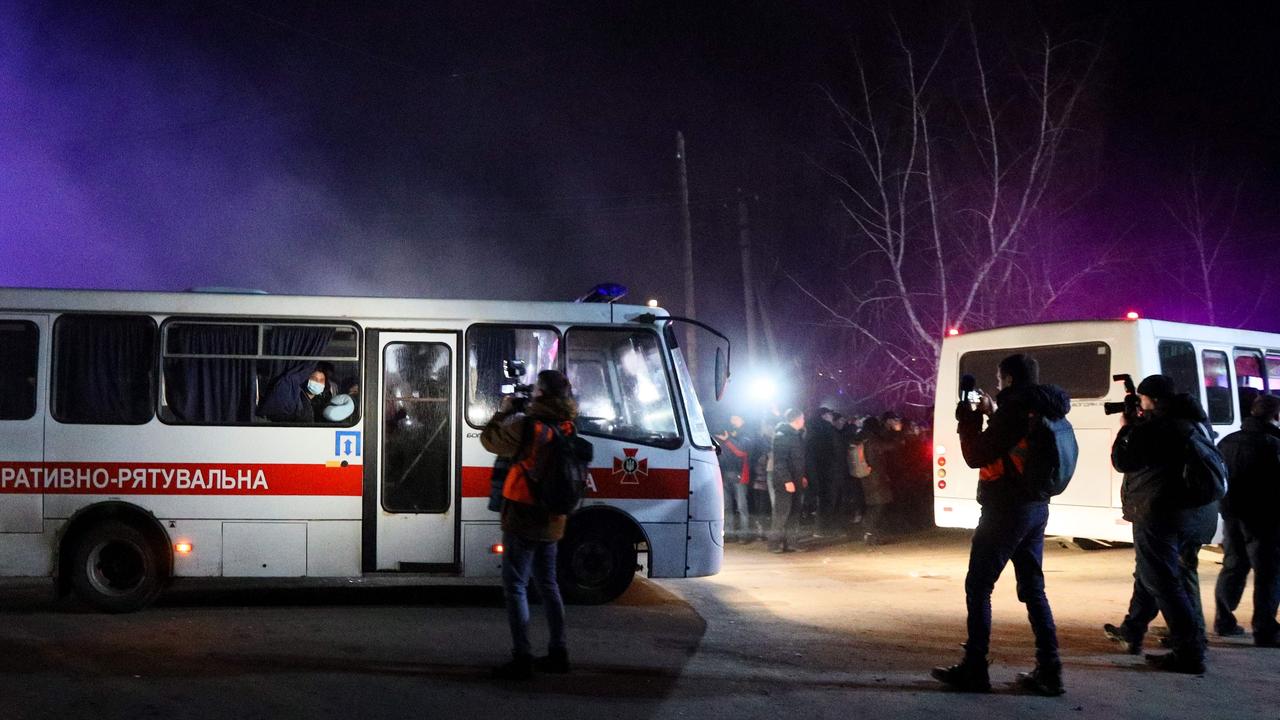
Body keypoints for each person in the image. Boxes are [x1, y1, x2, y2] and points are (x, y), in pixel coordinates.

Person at [932, 353, 1072, 696]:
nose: (997, 384)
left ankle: (975, 669)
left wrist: (967, 419)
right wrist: (993, 412)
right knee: (1033, 589)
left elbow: (974, 455)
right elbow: (1017, 441)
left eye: (999, 379)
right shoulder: (1043, 407)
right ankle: (1050, 670)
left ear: (1008, 379)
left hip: (1005, 508)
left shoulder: (1014, 410)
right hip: (1036, 507)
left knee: (978, 587)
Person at [1104, 374, 1219, 674]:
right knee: (1155, 574)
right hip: (1194, 514)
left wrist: (1126, 428)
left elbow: (1121, 460)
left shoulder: (1157, 428)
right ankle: (1135, 630)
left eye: (1142, 399)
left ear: (1151, 400)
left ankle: (1189, 651)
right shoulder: (1195, 422)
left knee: (1163, 582)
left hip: (1159, 513)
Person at [479, 370, 578, 680]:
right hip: (553, 518)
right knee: (549, 585)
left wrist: (504, 411)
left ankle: (522, 657)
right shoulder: (567, 426)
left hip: (522, 515)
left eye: (535, 389)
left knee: (516, 588)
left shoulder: (527, 427)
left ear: (541, 394)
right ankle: (558, 652)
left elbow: (489, 440)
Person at [1214, 393, 1280, 647]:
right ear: (1275, 416)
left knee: (1234, 565)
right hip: (1265, 519)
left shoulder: (1228, 441)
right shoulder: (1274, 444)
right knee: (1268, 573)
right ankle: (1264, 629)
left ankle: (1224, 620)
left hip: (1231, 514)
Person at [861, 413, 903, 546]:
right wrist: (897, 433)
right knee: (878, 505)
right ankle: (870, 533)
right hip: (875, 477)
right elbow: (890, 446)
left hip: (867, 476)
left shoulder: (862, 437)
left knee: (874, 505)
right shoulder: (872, 440)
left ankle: (871, 532)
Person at [768, 408, 807, 553]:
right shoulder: (782, 436)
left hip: (795, 479)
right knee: (782, 512)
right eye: (802, 418)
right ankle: (774, 544)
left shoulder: (796, 435)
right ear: (797, 419)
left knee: (794, 512)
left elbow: (797, 459)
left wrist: (801, 476)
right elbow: (780, 461)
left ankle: (791, 542)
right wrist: (787, 480)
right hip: (785, 481)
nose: (804, 421)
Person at [716, 415, 752, 543]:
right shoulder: (727, 433)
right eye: (731, 418)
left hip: (739, 474)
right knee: (726, 507)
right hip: (725, 474)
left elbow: (741, 452)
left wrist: (727, 440)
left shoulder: (747, 434)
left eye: (735, 418)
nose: (732, 421)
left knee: (742, 507)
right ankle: (729, 534)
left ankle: (744, 535)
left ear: (742, 419)